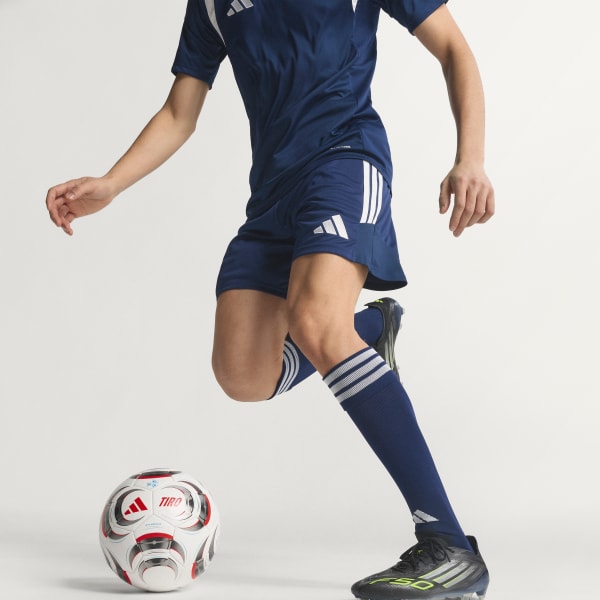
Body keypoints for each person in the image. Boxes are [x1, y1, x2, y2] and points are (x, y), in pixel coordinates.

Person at [46, 1, 495, 598]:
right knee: (242, 374)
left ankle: (449, 544)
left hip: (344, 163)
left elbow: (454, 49)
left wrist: (470, 157)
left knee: (315, 321)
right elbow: (180, 111)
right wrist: (111, 183)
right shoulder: (210, 4)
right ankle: (367, 331)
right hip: (272, 197)